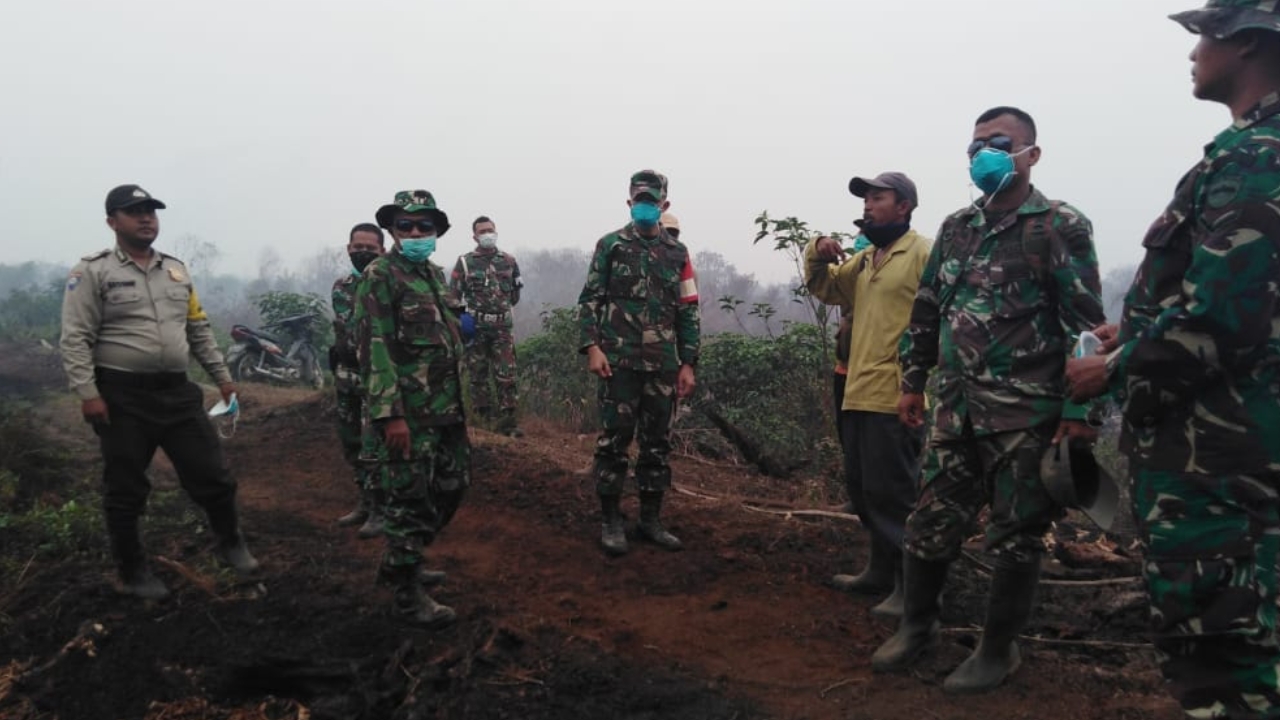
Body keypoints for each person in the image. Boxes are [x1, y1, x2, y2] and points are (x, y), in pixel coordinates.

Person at [1066, 5, 1280, 715]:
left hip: (1221, 466)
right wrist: (1140, 328)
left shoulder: (1258, 156)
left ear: (1247, 42)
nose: (1194, 53)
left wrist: (1114, 370)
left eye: (1206, 37)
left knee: (1224, 660)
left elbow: (1223, 320)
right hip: (1229, 457)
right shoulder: (1244, 149)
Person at [871, 107, 1105, 694]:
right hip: (955, 407)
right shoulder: (957, 227)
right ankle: (917, 625)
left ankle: (998, 650)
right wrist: (911, 381)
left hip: (1025, 416)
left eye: (998, 143)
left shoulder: (1058, 225)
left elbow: (1087, 328)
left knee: (1017, 534)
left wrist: (1079, 414)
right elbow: (929, 308)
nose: (983, 155)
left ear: (1032, 153)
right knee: (929, 520)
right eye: (975, 146)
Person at [60, 184, 259, 600]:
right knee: (126, 486)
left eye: (151, 211)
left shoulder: (177, 270)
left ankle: (231, 543)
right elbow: (75, 338)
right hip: (122, 397)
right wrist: (88, 393)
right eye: (135, 212)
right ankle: (132, 569)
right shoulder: (92, 271)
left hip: (178, 393)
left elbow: (198, 328)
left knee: (213, 475)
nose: (146, 218)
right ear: (113, 222)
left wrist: (222, 376)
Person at [804, 172, 931, 620]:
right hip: (857, 389)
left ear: (904, 206)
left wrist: (920, 381)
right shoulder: (866, 260)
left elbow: (943, 317)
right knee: (863, 489)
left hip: (897, 396)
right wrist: (816, 250)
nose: (868, 206)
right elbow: (826, 287)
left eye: (878, 198)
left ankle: (909, 587)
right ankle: (878, 570)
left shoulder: (922, 253)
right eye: (866, 200)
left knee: (894, 494)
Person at [356, 190, 472, 627]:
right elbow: (375, 348)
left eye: (425, 226)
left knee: (452, 485)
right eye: (407, 226)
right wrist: (392, 416)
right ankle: (407, 592)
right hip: (409, 414)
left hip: (446, 408)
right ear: (393, 231)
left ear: (436, 232)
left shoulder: (434, 275)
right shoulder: (380, 276)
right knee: (408, 501)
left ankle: (402, 560)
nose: (416, 233)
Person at [577, 169, 700, 556]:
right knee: (614, 442)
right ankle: (612, 519)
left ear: (664, 205)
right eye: (639, 200)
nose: (645, 207)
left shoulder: (678, 253)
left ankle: (650, 520)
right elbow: (589, 300)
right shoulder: (611, 246)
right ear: (630, 203)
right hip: (619, 363)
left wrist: (688, 363)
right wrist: (591, 348)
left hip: (663, 365)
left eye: (652, 201)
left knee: (656, 444)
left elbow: (688, 310)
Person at [331, 223, 386, 538]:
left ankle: (380, 508)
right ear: (348, 248)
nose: (363, 252)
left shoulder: (387, 283)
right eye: (357, 247)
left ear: (382, 250)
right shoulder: (342, 286)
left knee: (372, 444)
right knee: (350, 441)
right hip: (346, 374)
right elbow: (347, 328)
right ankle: (364, 502)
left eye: (370, 248)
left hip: (376, 377)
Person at [449, 216, 524, 437]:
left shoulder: (509, 262)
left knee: (507, 375)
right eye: (482, 231)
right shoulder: (465, 262)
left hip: (502, 327)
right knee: (477, 375)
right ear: (475, 236)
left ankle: (508, 423)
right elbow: (453, 296)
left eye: (490, 230)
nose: (487, 234)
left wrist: (500, 312)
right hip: (476, 327)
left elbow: (515, 295)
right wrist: (464, 320)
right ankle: (483, 422)